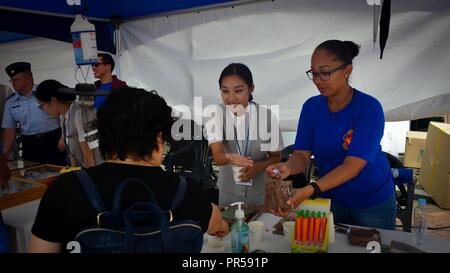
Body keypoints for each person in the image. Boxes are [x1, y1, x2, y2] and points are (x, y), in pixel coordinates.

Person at [29, 87, 229, 253]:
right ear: (159, 138)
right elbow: (219, 225)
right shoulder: (186, 191)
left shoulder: (66, 188)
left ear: (104, 136)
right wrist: (220, 225)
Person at [266, 40, 396, 230]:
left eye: (325, 73)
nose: (318, 80)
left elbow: (352, 166)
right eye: (314, 73)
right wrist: (287, 167)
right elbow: (301, 155)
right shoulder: (311, 108)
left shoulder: (369, 108)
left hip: (372, 201)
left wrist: (311, 190)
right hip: (332, 197)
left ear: (347, 70)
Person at [205, 63, 284, 206]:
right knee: (228, 227)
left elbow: (275, 156)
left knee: (258, 227)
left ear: (251, 88)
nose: (231, 98)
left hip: (260, 193)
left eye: (238, 91)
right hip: (228, 193)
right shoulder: (216, 114)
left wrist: (258, 168)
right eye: (225, 91)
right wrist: (230, 157)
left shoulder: (266, 117)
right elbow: (217, 155)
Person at [1, 62, 65, 165]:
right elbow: (9, 130)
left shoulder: (45, 91)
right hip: (30, 144)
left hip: (54, 139)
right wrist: (4, 153)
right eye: (12, 80)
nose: (13, 83)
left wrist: (64, 136)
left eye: (17, 79)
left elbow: (64, 113)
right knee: (34, 175)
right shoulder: (10, 102)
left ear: (29, 77)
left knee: (60, 173)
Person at [34, 80, 102, 168]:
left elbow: (88, 152)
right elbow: (72, 151)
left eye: (41, 105)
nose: (43, 109)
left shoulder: (79, 114)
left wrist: (90, 177)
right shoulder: (63, 115)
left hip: (95, 169)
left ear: (53, 101)